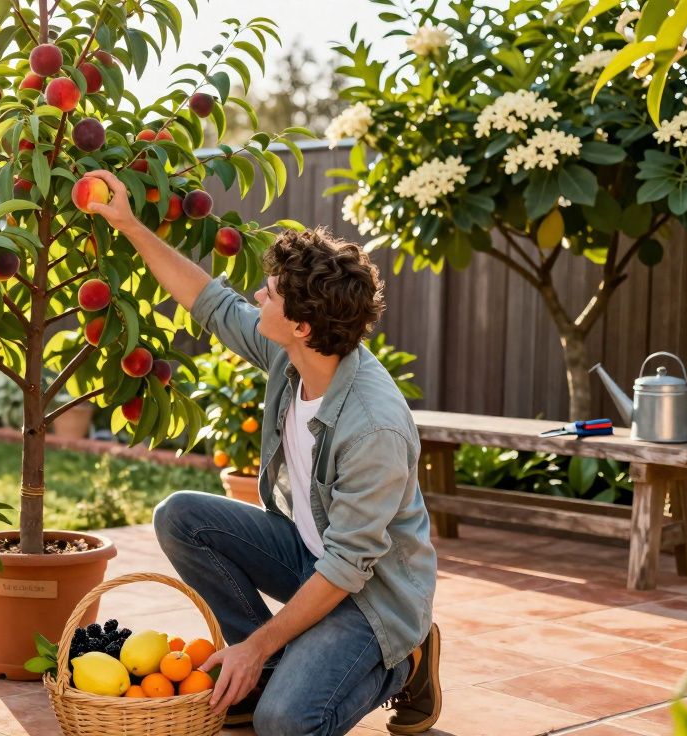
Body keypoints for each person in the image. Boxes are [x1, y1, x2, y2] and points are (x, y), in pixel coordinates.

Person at [83, 169, 441, 735]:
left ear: (300, 324)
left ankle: (405, 662)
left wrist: (253, 643)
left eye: (268, 293)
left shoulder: (374, 428)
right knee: (181, 516)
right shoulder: (295, 352)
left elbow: (347, 570)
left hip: (370, 596)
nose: (257, 296)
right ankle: (269, 665)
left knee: (285, 724)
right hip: (309, 558)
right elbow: (208, 299)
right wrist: (128, 223)